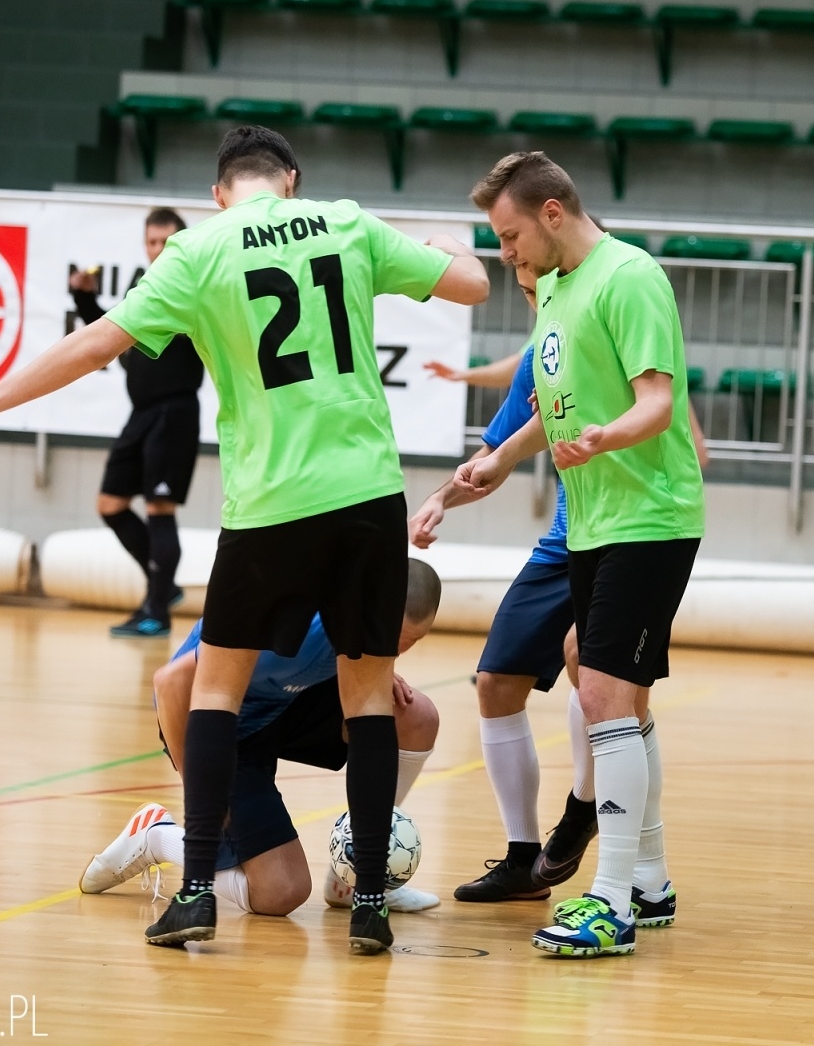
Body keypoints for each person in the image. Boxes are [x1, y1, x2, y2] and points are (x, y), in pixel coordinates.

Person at [0, 124, 490, 956]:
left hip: (271, 502)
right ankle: (368, 911)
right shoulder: (346, 223)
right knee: (369, 701)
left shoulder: (198, 251)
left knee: (214, 691)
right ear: (291, 179)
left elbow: (92, 343)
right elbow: (471, 285)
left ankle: (196, 895)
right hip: (366, 497)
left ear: (220, 192)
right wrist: (438, 246)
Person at [460, 152, 705, 958]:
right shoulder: (558, 289)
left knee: (601, 692)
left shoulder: (629, 278)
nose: (507, 255)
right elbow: (559, 407)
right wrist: (505, 456)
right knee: (606, 689)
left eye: (510, 235)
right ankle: (652, 881)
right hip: (598, 522)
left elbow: (659, 404)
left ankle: (612, 901)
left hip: (649, 518)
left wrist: (607, 437)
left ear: (553, 212)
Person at [412, 263, 709, 906]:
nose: (526, 286)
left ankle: (591, 816)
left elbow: (671, 419)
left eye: (527, 266)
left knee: (599, 678)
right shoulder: (544, 347)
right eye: (519, 278)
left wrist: (647, 430)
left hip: (632, 530)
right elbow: (500, 451)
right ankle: (526, 858)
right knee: (496, 682)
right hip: (566, 541)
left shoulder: (618, 310)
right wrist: (438, 501)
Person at [79, 559, 446, 916]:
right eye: (395, 638)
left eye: (412, 642)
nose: (396, 651)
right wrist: (200, 788)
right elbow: (169, 683)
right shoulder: (289, 627)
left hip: (284, 701)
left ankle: (353, 878)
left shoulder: (362, 617)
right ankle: (156, 837)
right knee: (281, 892)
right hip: (223, 727)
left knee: (414, 716)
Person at [69, 208, 205, 639]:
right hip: (142, 414)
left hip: (174, 412)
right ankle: (163, 589)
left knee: (158, 508)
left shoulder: (193, 287)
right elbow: (115, 339)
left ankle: (157, 612)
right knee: (109, 504)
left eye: (165, 242)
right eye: (151, 242)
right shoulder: (143, 287)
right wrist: (85, 300)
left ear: (181, 242)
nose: (157, 250)